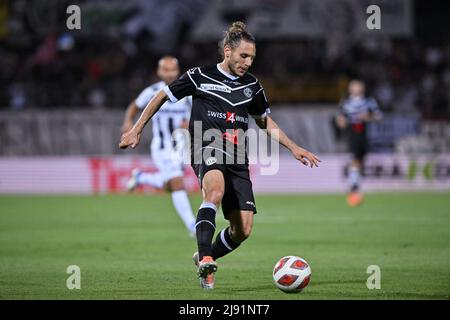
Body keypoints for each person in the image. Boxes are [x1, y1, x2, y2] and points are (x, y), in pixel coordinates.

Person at [119, 22, 321, 290]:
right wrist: (136, 129)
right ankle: (205, 260)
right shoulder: (199, 76)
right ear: (228, 51)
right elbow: (162, 96)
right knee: (213, 191)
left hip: (237, 155)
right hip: (205, 145)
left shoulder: (252, 86)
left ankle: (207, 254)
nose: (248, 62)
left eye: (252, 58)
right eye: (243, 56)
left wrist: (293, 147)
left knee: (243, 229)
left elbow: (264, 122)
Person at [121, 56, 196, 237]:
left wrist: (189, 124)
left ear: (177, 71)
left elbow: (196, 114)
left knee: (170, 184)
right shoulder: (152, 91)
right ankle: (192, 226)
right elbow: (134, 106)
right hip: (162, 148)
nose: (169, 73)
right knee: (177, 183)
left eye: (172, 70)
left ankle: (141, 178)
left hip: (180, 148)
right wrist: (128, 123)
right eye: (166, 70)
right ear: (159, 72)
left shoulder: (187, 93)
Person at [335, 80, 383, 207]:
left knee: (360, 161)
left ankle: (355, 185)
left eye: (358, 86)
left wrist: (368, 117)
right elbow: (339, 119)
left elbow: (379, 116)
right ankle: (353, 188)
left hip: (365, 135)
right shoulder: (345, 103)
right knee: (355, 160)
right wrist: (342, 122)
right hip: (352, 135)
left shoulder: (369, 101)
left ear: (362, 88)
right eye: (353, 86)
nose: (355, 88)